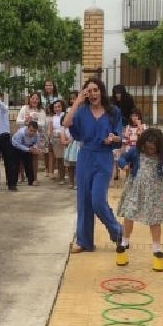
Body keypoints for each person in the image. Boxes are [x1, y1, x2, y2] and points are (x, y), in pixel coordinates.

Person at [62, 78, 123, 252]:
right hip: (86, 156)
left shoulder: (113, 111)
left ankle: (118, 232)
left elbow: (120, 136)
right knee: (84, 200)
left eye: (96, 90)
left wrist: (113, 138)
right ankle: (84, 241)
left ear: (101, 91)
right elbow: (66, 123)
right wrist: (77, 102)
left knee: (97, 200)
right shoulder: (81, 111)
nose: (93, 94)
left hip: (104, 157)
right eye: (89, 91)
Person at [115, 127, 163, 271]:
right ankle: (124, 242)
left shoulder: (161, 156)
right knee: (129, 214)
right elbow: (122, 158)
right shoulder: (135, 151)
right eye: (148, 147)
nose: (151, 150)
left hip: (155, 192)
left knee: (155, 219)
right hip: (136, 189)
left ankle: (157, 248)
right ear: (143, 144)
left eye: (154, 147)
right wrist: (123, 165)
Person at [16, 91, 46, 184]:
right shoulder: (24, 108)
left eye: (37, 98)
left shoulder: (41, 111)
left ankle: (35, 178)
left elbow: (42, 124)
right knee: (21, 157)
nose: (35, 100)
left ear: (39, 100)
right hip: (24, 136)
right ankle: (22, 176)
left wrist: (32, 121)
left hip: (36, 136)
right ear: (29, 99)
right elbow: (18, 121)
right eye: (33, 98)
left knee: (34, 156)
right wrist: (25, 121)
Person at [11, 120, 41, 186]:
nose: (32, 132)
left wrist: (34, 148)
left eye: (34, 131)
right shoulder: (21, 133)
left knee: (29, 163)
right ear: (27, 128)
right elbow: (17, 145)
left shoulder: (37, 134)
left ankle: (31, 181)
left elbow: (36, 143)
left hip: (27, 147)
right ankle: (14, 180)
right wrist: (28, 149)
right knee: (16, 163)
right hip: (16, 147)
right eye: (31, 130)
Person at [48, 99, 67, 183]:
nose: (57, 108)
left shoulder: (66, 115)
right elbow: (50, 130)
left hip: (66, 139)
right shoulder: (52, 118)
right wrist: (51, 140)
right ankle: (61, 176)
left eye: (59, 106)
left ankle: (69, 176)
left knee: (67, 159)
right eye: (55, 107)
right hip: (56, 140)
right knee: (60, 159)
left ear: (62, 107)